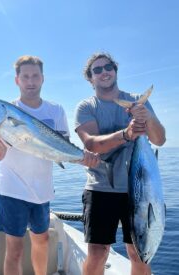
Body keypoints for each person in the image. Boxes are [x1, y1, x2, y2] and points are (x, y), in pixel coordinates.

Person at [0, 55, 100, 275]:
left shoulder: (55, 110)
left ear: (43, 78)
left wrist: (85, 158)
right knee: (14, 249)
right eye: (25, 76)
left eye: (35, 75)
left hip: (42, 191)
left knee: (42, 241)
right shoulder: (5, 111)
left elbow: (63, 148)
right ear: (17, 80)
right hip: (11, 190)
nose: (30, 81)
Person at [74, 52, 166, 275]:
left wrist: (146, 116)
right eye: (97, 70)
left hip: (141, 190)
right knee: (98, 251)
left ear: (115, 70)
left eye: (108, 67)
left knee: (138, 251)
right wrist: (126, 133)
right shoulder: (87, 107)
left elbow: (159, 139)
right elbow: (92, 143)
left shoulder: (136, 101)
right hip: (100, 187)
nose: (104, 72)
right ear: (90, 78)